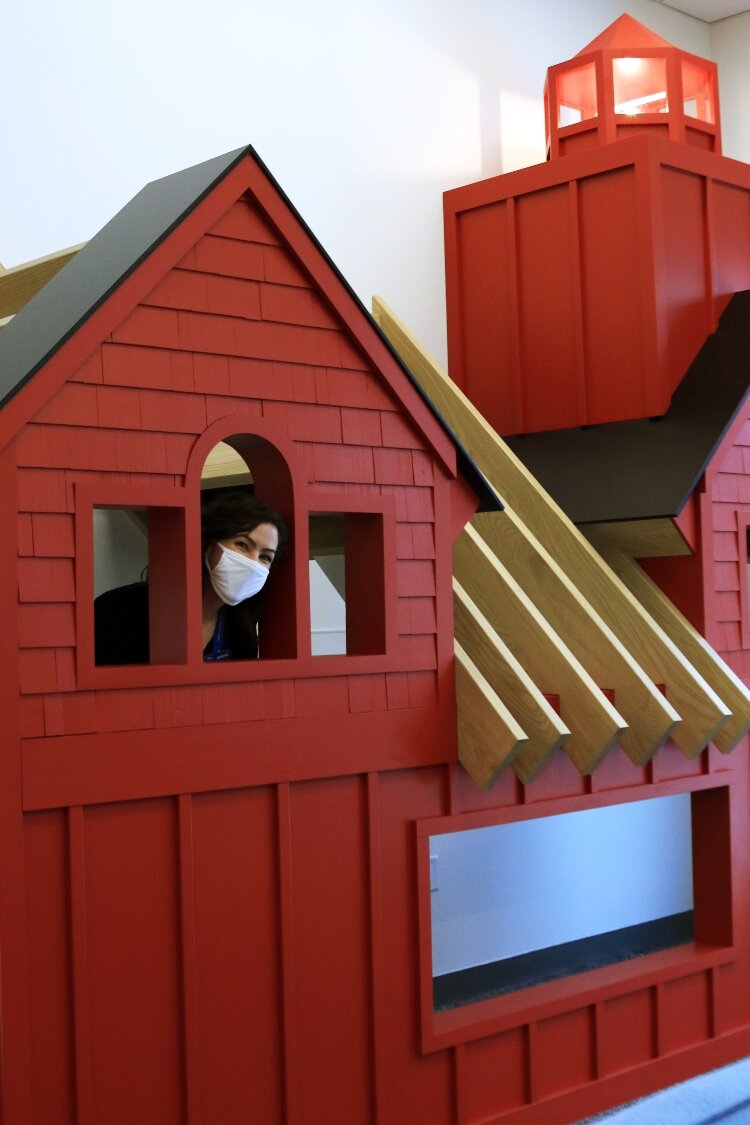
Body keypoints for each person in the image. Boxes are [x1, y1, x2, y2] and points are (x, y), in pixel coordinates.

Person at [94, 490, 287, 665]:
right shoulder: (117, 609)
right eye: (243, 545)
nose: (252, 563)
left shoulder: (240, 629)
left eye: (265, 557)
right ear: (208, 544)